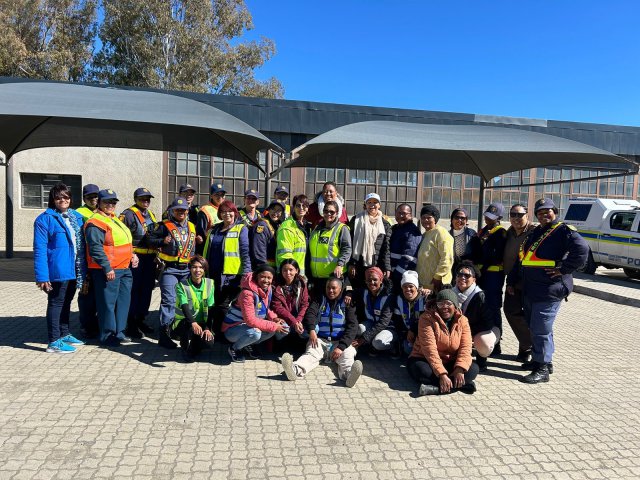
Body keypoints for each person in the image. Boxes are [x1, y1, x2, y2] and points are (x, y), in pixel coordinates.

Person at [507, 198, 588, 384]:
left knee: (540, 329)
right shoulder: (536, 232)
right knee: (539, 328)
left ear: (555, 212)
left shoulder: (563, 231)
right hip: (531, 289)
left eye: (548, 211)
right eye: (540, 212)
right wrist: (511, 281)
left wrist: (564, 269)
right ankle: (542, 361)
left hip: (549, 290)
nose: (544, 215)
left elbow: (582, 250)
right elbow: (523, 260)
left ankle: (542, 369)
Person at [280, 277, 363, 387]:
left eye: (334, 288)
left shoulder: (347, 303)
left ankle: (349, 375)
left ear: (340, 289)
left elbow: (353, 326)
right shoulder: (319, 299)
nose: (330, 291)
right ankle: (294, 370)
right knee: (310, 354)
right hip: (320, 340)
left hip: (339, 342)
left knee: (347, 356)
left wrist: (341, 346)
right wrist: (312, 330)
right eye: (328, 287)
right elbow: (310, 314)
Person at [33, 183, 87, 353]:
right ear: (52, 199)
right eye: (58, 197)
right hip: (58, 269)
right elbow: (40, 250)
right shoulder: (45, 219)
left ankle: (64, 333)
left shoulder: (76, 217)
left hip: (74, 269)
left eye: (66, 197)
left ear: (70, 198)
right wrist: (42, 276)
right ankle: (54, 341)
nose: (62, 200)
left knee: (67, 302)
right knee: (56, 303)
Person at [85, 189, 139, 347]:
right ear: (99, 203)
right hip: (109, 270)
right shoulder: (95, 222)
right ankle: (107, 335)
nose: (110, 205)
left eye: (113, 202)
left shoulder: (113, 219)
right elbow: (95, 248)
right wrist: (107, 267)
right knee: (107, 304)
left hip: (124, 268)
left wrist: (132, 255)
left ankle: (119, 332)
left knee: (123, 302)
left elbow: (123, 242)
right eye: (107, 202)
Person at [407, 288, 479, 396]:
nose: (444, 307)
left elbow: (466, 347)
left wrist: (459, 369)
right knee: (422, 371)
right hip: (425, 358)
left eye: (448, 303)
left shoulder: (463, 320)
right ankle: (461, 385)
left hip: (450, 360)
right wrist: (441, 374)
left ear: (455, 306)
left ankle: (435, 389)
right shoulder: (426, 319)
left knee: (473, 369)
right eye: (440, 304)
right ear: (436, 305)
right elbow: (429, 349)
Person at [146, 197, 196, 349]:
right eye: (178, 210)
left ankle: (179, 330)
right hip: (169, 269)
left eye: (183, 210)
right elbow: (149, 240)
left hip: (187, 270)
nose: (181, 212)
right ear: (172, 211)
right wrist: (162, 241)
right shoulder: (163, 226)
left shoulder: (192, 227)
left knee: (186, 301)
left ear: (187, 211)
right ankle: (164, 335)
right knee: (169, 300)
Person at [203, 200, 252, 335]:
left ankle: (224, 332)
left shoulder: (241, 229)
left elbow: (245, 252)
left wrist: (246, 274)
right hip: (213, 273)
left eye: (230, 211)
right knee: (214, 302)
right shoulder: (215, 229)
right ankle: (214, 330)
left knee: (224, 304)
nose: (227, 214)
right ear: (219, 214)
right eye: (223, 212)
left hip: (231, 275)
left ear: (235, 213)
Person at [223, 265, 289, 362]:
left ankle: (248, 344)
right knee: (256, 333)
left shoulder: (267, 289)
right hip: (233, 328)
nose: (266, 280)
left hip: (248, 327)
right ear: (256, 277)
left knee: (283, 328)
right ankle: (235, 348)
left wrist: (274, 318)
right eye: (262, 277)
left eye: (269, 278)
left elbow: (265, 308)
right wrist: (274, 325)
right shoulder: (247, 293)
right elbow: (250, 320)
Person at [464, 202, 507, 347]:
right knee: (481, 306)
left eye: (492, 218)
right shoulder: (482, 231)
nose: (488, 220)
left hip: (493, 276)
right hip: (481, 275)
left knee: (493, 307)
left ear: (499, 218)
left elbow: (497, 255)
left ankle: (496, 342)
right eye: (487, 217)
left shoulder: (501, 233)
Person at [119, 187, 157, 338]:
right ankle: (131, 323)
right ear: (135, 199)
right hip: (135, 259)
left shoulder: (151, 215)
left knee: (147, 290)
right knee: (134, 291)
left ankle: (141, 319)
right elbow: (122, 236)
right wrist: (130, 255)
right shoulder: (127, 215)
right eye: (142, 198)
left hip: (150, 259)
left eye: (148, 198)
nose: (145, 201)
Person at [452, 261, 500, 372]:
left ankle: (482, 360)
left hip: (488, 330)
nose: (462, 277)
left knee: (483, 342)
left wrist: (466, 334)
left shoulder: (481, 296)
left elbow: (487, 323)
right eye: (459, 275)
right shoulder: (451, 292)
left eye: (467, 275)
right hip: (465, 329)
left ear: (474, 279)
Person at [503, 203, 535, 363]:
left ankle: (527, 349)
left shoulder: (533, 232)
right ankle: (528, 344)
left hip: (530, 282)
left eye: (519, 214)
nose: (516, 218)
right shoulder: (509, 232)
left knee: (529, 316)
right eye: (513, 214)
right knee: (511, 311)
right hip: (512, 280)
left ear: (527, 215)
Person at [171, 255, 215, 362]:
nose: (197, 270)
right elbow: (184, 306)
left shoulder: (210, 283)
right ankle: (184, 348)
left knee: (209, 342)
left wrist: (208, 328)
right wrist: (193, 323)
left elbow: (211, 308)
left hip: (201, 322)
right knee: (189, 327)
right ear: (190, 269)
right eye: (194, 267)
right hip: (183, 322)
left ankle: (195, 347)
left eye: (201, 267)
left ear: (204, 269)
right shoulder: (181, 285)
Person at [348, 193, 391, 289]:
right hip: (359, 265)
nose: (372, 205)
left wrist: (386, 267)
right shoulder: (356, 220)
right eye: (369, 202)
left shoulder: (385, 224)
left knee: (374, 292)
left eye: (375, 202)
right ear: (365, 205)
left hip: (376, 265)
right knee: (359, 292)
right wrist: (352, 263)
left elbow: (386, 248)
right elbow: (350, 243)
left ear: (379, 205)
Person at [308, 200, 352, 292]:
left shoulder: (342, 229)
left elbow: (347, 249)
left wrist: (340, 265)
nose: (328, 214)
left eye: (332, 212)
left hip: (333, 279)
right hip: (315, 278)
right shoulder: (316, 229)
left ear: (336, 213)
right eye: (326, 211)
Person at [352, 267, 396, 356]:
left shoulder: (388, 296)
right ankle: (370, 344)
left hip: (388, 327)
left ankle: (394, 346)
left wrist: (364, 338)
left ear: (381, 280)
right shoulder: (365, 291)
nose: (372, 283)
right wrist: (349, 294)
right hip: (372, 323)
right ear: (365, 281)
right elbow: (353, 292)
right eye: (369, 280)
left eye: (375, 280)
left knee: (377, 343)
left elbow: (383, 322)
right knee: (359, 328)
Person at [76, 183, 100, 338]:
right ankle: (86, 326)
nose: (93, 200)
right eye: (90, 197)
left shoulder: (103, 211)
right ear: (84, 198)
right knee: (87, 295)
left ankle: (96, 324)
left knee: (99, 296)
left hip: (100, 261)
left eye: (95, 196)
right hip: (86, 260)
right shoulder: (79, 213)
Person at [271, 259, 310, 347]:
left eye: (291, 270)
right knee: (283, 328)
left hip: (298, 318)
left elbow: (305, 304)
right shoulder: (276, 286)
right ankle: (281, 345)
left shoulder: (302, 284)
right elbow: (278, 307)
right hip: (283, 318)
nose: (287, 273)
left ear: (296, 270)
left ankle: (301, 344)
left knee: (314, 328)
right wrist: (294, 322)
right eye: (284, 270)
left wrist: (298, 320)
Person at [416, 204, 454, 293]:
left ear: (435, 219)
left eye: (429, 218)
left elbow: (447, 258)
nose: (425, 220)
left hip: (437, 284)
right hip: (425, 286)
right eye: (423, 217)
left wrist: (438, 277)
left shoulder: (441, 233)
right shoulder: (425, 235)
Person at [392, 270, 427, 356]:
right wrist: (404, 334)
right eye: (405, 286)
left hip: (421, 333)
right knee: (408, 349)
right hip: (406, 332)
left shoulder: (424, 299)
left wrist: (413, 331)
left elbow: (426, 321)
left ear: (416, 287)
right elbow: (398, 321)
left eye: (411, 286)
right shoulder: (399, 299)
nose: (408, 289)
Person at [389, 203, 422, 292]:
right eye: (398, 213)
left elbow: (409, 257)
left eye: (404, 213)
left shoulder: (413, 231)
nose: (401, 215)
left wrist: (396, 276)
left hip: (401, 277)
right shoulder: (395, 228)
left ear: (411, 215)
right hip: (391, 274)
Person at [276, 194, 311, 277]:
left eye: (304, 205)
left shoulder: (307, 227)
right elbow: (285, 255)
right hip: (292, 275)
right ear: (293, 208)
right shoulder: (287, 226)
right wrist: (293, 273)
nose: (301, 208)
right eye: (298, 205)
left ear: (308, 208)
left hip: (304, 273)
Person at [250, 200, 285, 269]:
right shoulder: (261, 226)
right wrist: (264, 269)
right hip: (264, 269)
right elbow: (259, 251)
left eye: (279, 210)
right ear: (268, 210)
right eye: (273, 209)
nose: (275, 213)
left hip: (274, 269)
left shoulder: (279, 225)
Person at [196, 181, 226, 253]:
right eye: (217, 194)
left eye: (222, 195)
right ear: (211, 196)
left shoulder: (227, 209)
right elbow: (201, 235)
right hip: (210, 249)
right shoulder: (205, 210)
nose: (220, 197)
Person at [449, 207, 476, 277]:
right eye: (456, 217)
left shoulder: (472, 234)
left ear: (466, 221)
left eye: (462, 218)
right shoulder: (446, 235)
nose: (459, 220)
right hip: (451, 270)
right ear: (452, 219)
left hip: (468, 271)